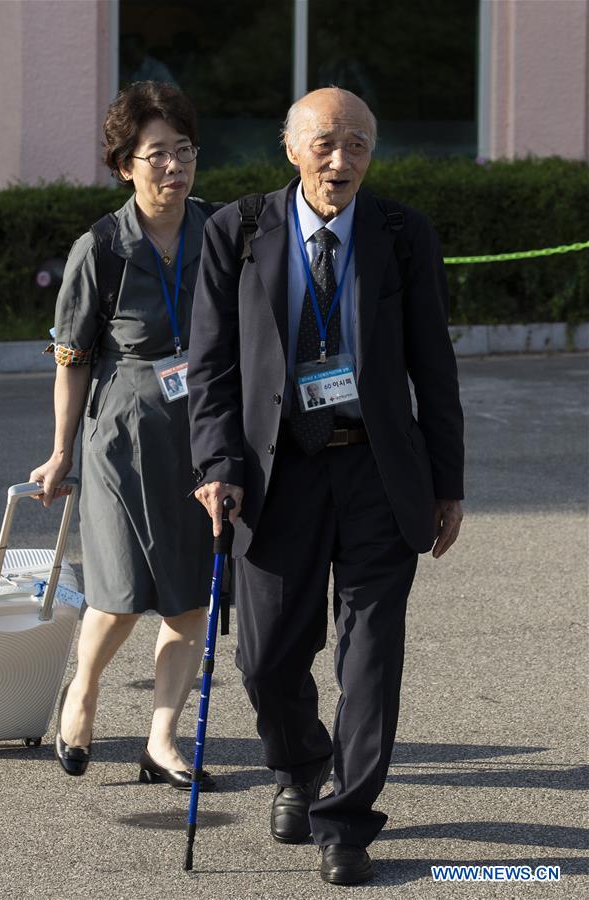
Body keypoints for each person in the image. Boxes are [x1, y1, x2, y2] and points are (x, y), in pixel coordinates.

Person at [187, 87, 464, 885]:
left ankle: (346, 818)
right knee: (267, 659)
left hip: (379, 467)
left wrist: (448, 483)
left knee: (371, 656)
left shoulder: (403, 235)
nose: (342, 162)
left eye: (360, 147)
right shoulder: (235, 232)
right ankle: (299, 765)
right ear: (291, 148)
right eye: (326, 144)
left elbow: (432, 369)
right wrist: (216, 466)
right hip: (276, 471)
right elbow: (211, 370)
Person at [30, 81, 217, 791]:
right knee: (117, 594)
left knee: (189, 598)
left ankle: (162, 740)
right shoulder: (101, 248)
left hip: (202, 436)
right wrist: (61, 451)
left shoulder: (220, 231)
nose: (174, 166)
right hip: (120, 437)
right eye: (157, 154)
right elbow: (72, 363)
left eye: (184, 150)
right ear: (124, 164)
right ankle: (84, 691)